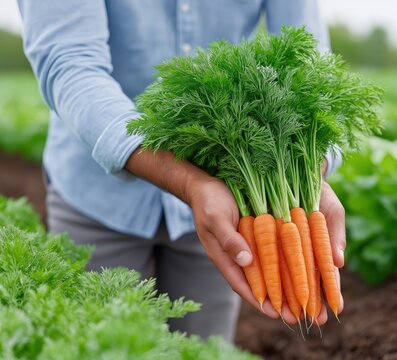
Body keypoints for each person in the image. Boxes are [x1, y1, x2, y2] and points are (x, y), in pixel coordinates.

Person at [17, 0, 346, 342]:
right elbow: (71, 67)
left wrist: (307, 171)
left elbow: (310, 66)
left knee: (202, 347)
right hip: (96, 195)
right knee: (98, 344)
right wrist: (190, 182)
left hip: (229, 194)